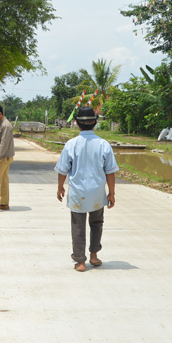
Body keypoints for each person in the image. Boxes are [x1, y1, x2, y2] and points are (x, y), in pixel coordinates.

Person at [54, 106, 119, 272]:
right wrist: (111, 193)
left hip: (78, 193)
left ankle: (80, 261)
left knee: (78, 226)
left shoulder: (71, 144)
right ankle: (94, 256)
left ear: (77, 124)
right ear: (95, 123)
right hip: (97, 193)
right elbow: (110, 172)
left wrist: (60, 187)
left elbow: (63, 169)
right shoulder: (104, 145)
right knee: (97, 223)